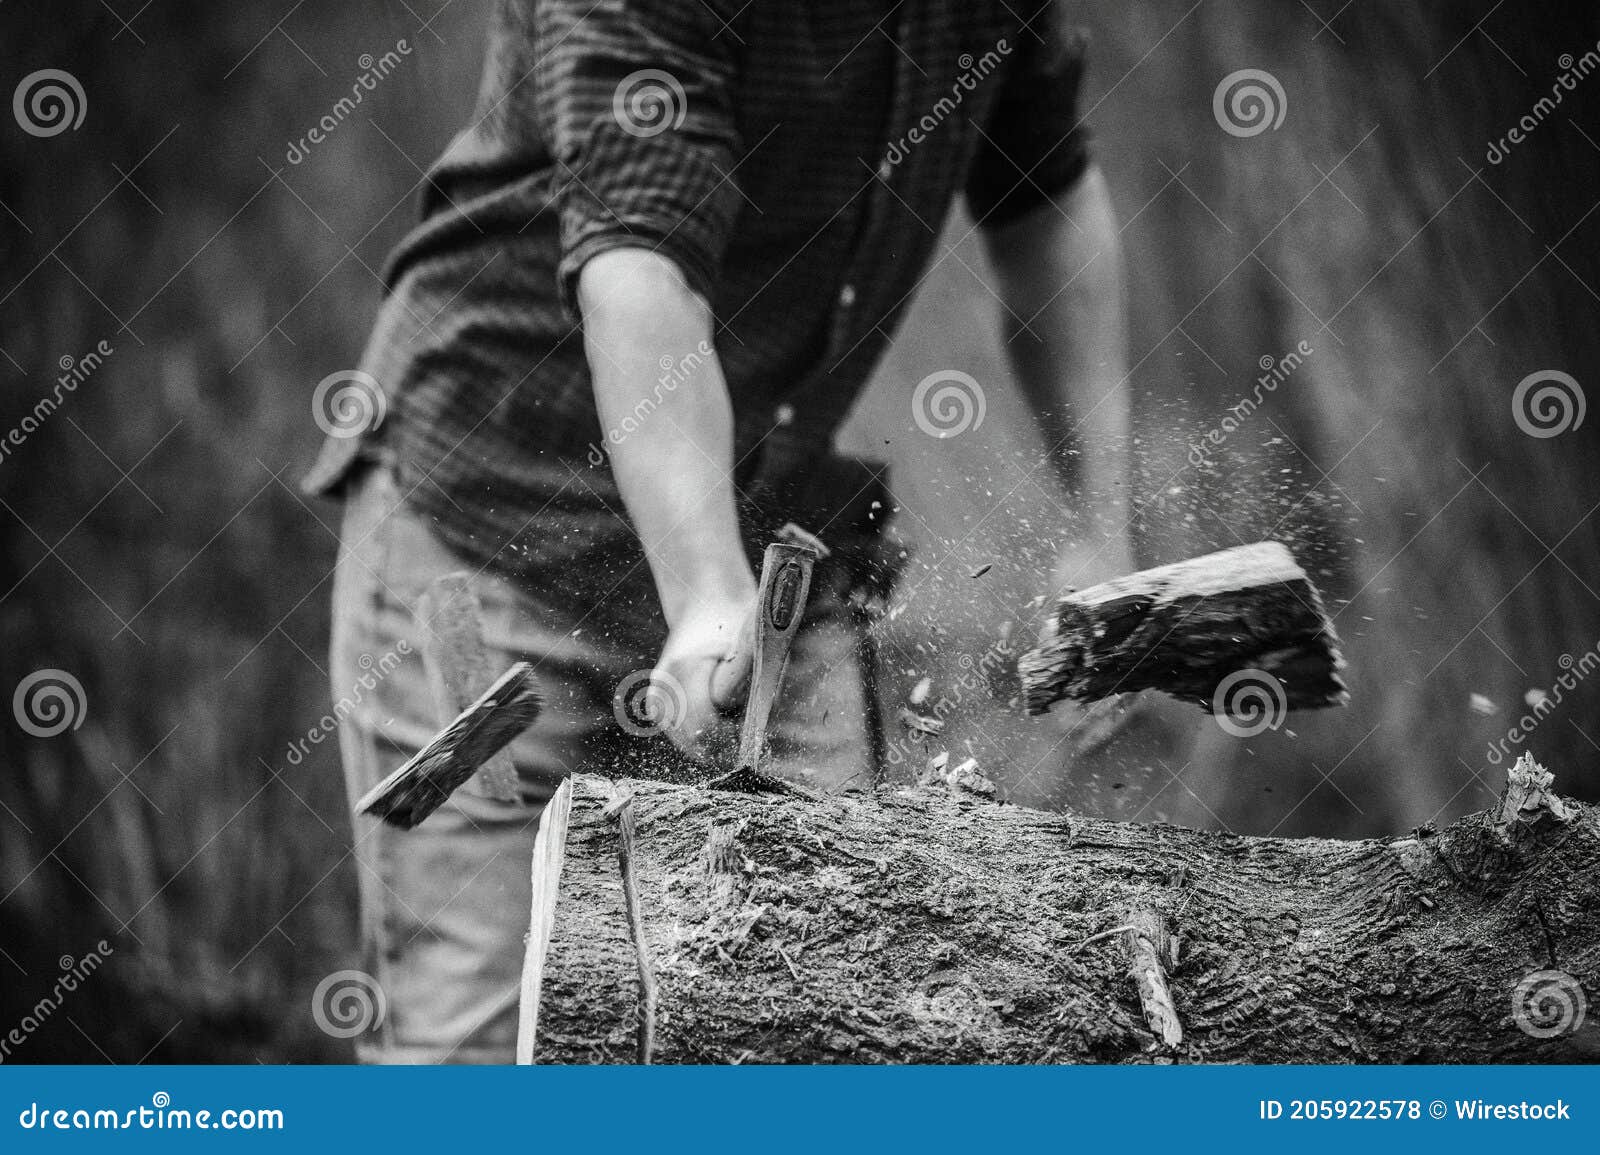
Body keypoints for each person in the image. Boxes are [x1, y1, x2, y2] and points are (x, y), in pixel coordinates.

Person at [304, 0, 1133, 1063]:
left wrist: (1101, 529)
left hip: (768, 547)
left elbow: (1046, 203)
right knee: (472, 1044)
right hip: (489, 541)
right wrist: (701, 593)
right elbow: (640, 266)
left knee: (822, 1020)